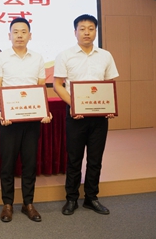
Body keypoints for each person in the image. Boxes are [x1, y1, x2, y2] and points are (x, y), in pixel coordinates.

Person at [53, 14, 119, 216]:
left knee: (95, 159)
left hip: (99, 116)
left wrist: (109, 106)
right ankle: (71, 198)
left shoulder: (105, 55)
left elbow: (109, 84)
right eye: (82, 29)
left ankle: (91, 198)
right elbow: (57, 85)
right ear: (75, 32)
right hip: (75, 115)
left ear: (96, 31)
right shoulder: (65, 55)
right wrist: (75, 106)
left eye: (91, 28)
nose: (87, 32)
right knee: (74, 159)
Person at [0, 18, 51, 223]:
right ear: (9, 35)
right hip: (9, 120)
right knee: (7, 163)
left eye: (23, 32)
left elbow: (41, 86)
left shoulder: (38, 58)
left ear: (30, 35)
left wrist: (44, 110)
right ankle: (7, 204)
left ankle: (28, 204)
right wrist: (3, 111)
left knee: (30, 163)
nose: (19, 35)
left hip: (31, 119)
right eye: (15, 32)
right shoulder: (1, 58)